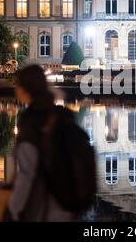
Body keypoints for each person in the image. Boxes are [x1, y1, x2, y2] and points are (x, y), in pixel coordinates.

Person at [5, 64, 89, 222]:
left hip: (44, 208)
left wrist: (13, 210)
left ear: (25, 89)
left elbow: (27, 174)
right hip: (68, 205)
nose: (15, 89)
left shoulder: (31, 122)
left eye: (17, 85)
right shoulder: (63, 115)